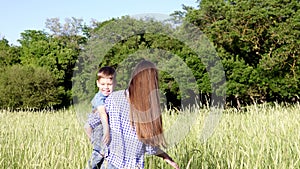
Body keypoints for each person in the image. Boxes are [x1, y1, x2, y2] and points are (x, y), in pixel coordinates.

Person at [104, 60, 180, 169]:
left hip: (112, 162)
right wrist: (166, 156)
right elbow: (149, 147)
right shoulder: (147, 110)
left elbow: (96, 125)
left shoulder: (113, 98)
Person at [84, 66, 115, 169]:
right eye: (103, 84)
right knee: (99, 153)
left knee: (108, 156)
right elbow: (102, 113)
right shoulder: (99, 97)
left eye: (109, 84)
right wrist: (106, 130)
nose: (106, 87)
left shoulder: (113, 96)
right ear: (97, 83)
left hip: (108, 129)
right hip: (100, 127)